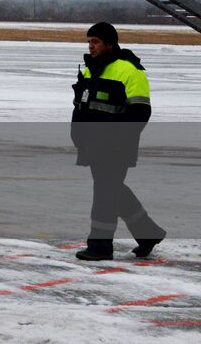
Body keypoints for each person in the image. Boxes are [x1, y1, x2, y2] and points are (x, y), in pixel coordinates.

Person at [70, 22, 165, 262]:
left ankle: (100, 246)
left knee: (104, 192)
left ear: (110, 44)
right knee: (112, 190)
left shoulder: (129, 70)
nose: (90, 46)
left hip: (116, 146)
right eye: (89, 41)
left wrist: (119, 139)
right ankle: (148, 233)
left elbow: (141, 112)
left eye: (96, 42)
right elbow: (81, 106)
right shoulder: (91, 70)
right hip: (93, 143)